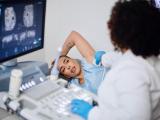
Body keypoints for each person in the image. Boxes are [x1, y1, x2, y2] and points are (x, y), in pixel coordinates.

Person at [70, 0, 160, 120]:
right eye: (63, 68)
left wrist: (91, 113)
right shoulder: (146, 55)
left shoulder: (132, 71)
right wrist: (103, 58)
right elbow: (122, 58)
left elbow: (136, 117)